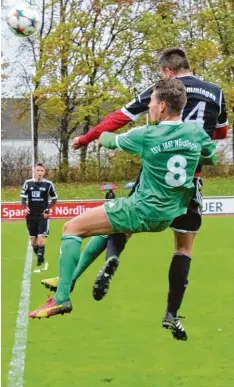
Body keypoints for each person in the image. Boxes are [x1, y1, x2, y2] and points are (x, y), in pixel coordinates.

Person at [41, 47, 227, 340]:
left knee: (110, 223)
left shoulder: (154, 107)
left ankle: (79, 280)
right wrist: (190, 143)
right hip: (187, 188)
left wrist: (87, 138)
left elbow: (117, 123)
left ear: (166, 74)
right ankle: (171, 313)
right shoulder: (215, 92)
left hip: (153, 183)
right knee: (182, 249)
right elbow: (219, 137)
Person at [20, 162, 58, 272]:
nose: (39, 173)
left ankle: (41, 260)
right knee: (33, 242)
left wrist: (47, 209)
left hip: (42, 216)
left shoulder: (48, 184)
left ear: (44, 172)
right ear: (34, 171)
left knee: (41, 240)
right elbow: (23, 198)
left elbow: (54, 199)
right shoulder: (28, 183)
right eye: (38, 170)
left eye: (41, 171)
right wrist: (24, 207)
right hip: (31, 216)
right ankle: (41, 257)